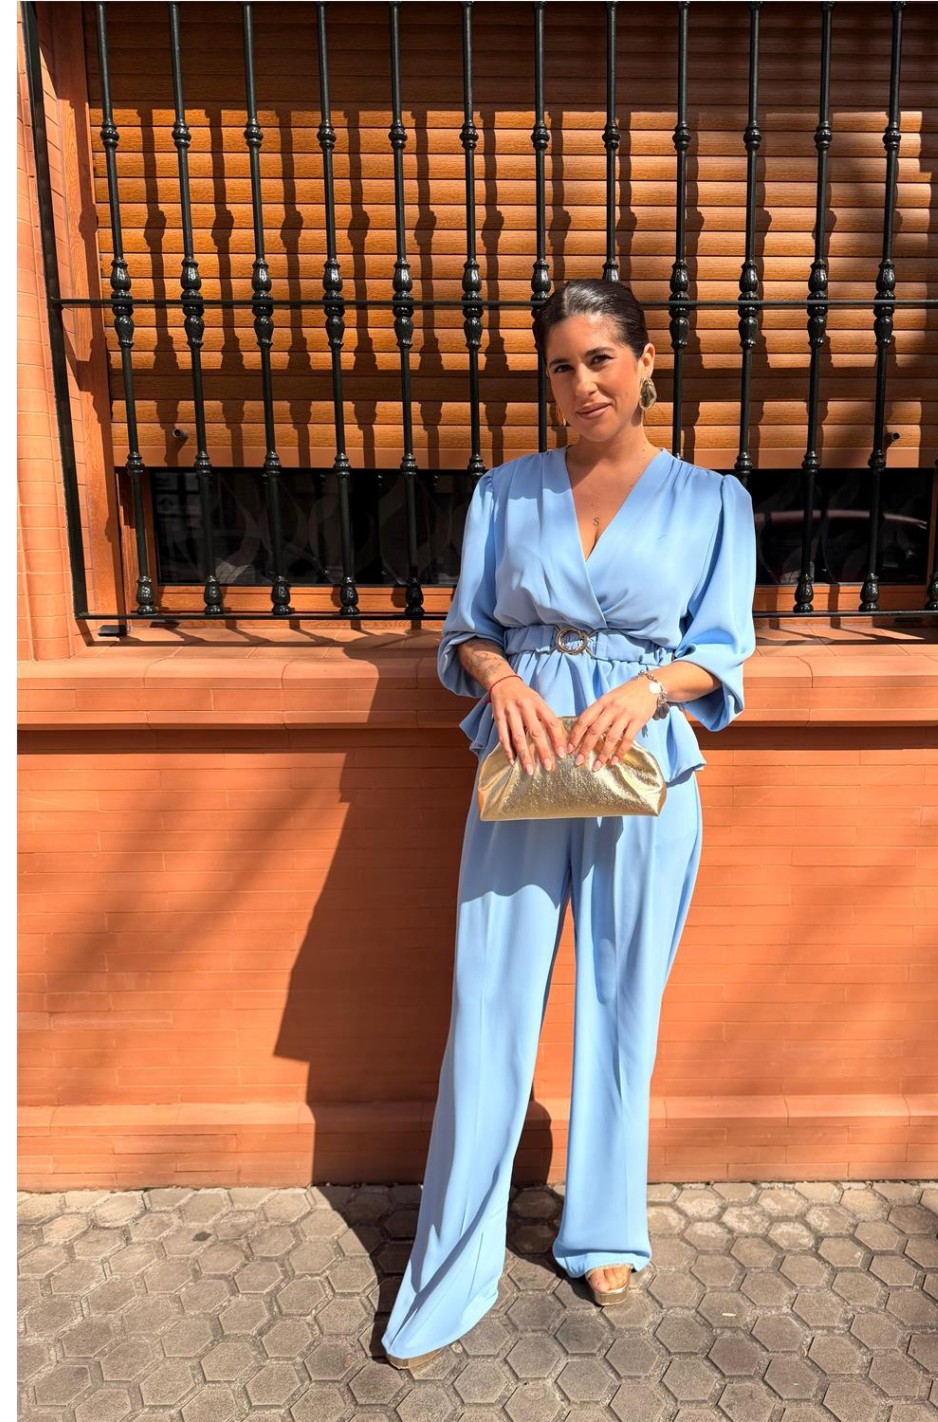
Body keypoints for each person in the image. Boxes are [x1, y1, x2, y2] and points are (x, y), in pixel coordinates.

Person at [380, 277, 757, 1370]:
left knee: (621, 997)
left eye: (600, 358)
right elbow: (464, 633)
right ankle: (457, 1248)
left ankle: (603, 1229)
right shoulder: (504, 494)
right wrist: (498, 676)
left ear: (644, 364)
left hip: (644, 766)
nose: (582, 382)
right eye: (560, 365)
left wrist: (649, 687)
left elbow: (723, 650)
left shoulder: (711, 501)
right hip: (526, 758)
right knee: (489, 996)